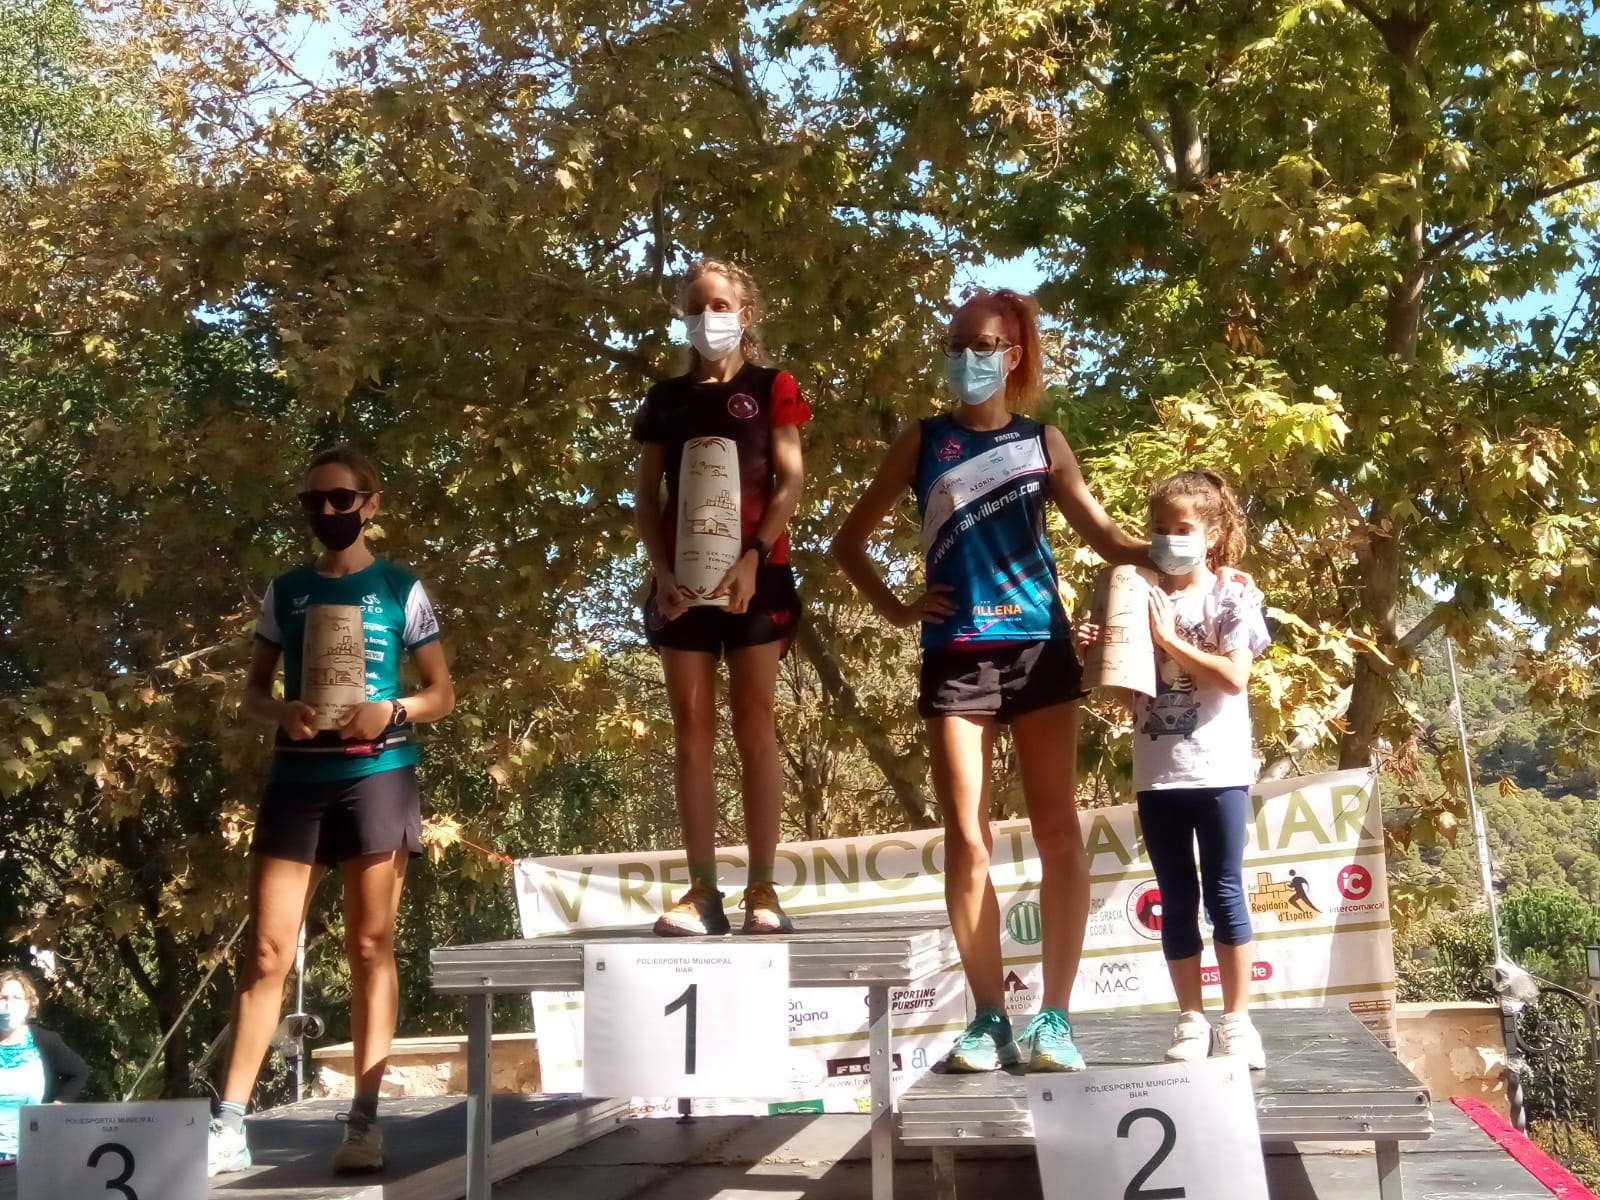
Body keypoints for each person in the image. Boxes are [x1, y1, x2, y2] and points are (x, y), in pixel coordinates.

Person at [832, 288, 1149, 1072]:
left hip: (1040, 648)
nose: (968, 357)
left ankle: (1055, 1020)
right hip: (957, 653)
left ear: (1014, 355)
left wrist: (1174, 552)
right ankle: (987, 1018)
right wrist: (899, 609)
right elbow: (848, 542)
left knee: (1057, 833)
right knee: (967, 838)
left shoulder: (1043, 441)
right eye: (957, 343)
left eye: (984, 345)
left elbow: (1107, 538)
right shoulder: (923, 440)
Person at [209, 446, 456, 1177]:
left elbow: (442, 692)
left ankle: (364, 1120)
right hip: (297, 779)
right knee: (266, 951)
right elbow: (253, 693)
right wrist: (282, 711)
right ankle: (229, 1123)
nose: (327, 512)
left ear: (371, 504)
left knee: (370, 945)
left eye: (341, 499)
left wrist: (393, 709)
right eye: (313, 501)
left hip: (377, 775)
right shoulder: (285, 590)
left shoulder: (400, 588)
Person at [633, 258, 810, 938]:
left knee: (755, 722)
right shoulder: (667, 398)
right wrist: (662, 572)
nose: (708, 317)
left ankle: (763, 887)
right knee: (691, 729)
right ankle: (702, 889)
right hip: (682, 585)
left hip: (757, 575)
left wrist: (753, 555)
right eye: (696, 306)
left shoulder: (772, 386)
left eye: (720, 305)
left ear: (746, 313)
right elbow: (646, 497)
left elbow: (790, 482)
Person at [1078, 469, 1271, 1069]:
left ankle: (1237, 1023)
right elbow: (1132, 697)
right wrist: (1099, 651)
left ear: (1212, 534)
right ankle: (1191, 1021)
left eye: (1183, 528)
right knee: (1176, 896)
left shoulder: (1232, 594)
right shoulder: (1136, 592)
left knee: (1224, 890)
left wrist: (1169, 639)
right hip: (1158, 773)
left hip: (1218, 770)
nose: (1168, 538)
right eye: (1159, 527)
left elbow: (1234, 677)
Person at [0, 969, 88, 1199]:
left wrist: (55, 1109)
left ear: (28, 1005)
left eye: (16, 997)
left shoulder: (44, 1041)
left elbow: (79, 1072)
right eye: (3, 997)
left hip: (28, 1163)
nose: (8, 1004)